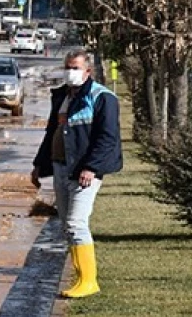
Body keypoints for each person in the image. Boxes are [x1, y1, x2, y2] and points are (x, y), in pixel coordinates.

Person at [31, 50, 123, 298]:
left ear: (88, 71)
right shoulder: (62, 97)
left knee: (76, 222)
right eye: (68, 67)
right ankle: (79, 276)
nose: (70, 72)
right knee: (66, 225)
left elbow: (107, 139)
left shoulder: (102, 98)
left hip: (85, 172)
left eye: (75, 67)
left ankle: (89, 281)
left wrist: (91, 167)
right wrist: (40, 164)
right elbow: (52, 132)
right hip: (61, 167)